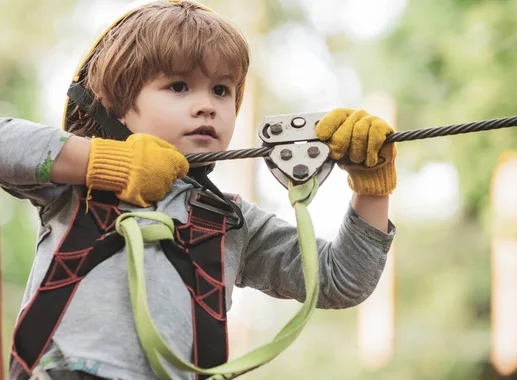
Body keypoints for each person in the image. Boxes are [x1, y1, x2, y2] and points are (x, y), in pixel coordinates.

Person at [0, 1, 397, 379]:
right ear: (115, 105)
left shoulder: (230, 222)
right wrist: (106, 164)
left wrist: (372, 186)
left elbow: (339, 280)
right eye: (178, 86)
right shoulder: (79, 186)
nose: (207, 106)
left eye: (221, 91)